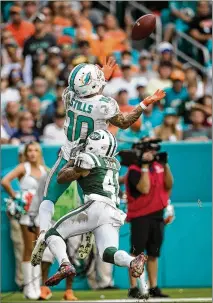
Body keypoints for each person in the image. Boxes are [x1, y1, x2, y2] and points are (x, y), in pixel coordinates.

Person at [31, 57, 165, 266]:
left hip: (68, 154)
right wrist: (144, 103)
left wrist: (102, 76)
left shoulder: (69, 95)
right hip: (93, 154)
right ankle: (89, 233)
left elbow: (87, 91)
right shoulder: (105, 105)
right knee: (95, 197)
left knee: (48, 198)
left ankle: (42, 232)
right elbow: (124, 122)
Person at [43, 130, 148, 287]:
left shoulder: (88, 158)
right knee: (108, 253)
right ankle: (131, 261)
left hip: (96, 206)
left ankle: (64, 264)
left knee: (52, 234)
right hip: (113, 212)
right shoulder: (114, 163)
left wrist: (72, 159)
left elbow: (61, 178)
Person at [125, 138, 174, 298]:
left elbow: (169, 184)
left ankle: (154, 287)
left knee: (154, 253)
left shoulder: (159, 167)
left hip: (157, 215)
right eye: (149, 151)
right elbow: (144, 189)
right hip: (140, 216)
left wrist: (165, 164)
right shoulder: (134, 170)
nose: (153, 154)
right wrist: (145, 166)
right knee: (136, 253)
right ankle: (134, 288)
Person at [1, 142, 47, 299]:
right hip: (27, 213)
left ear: (39, 153)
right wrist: (16, 196)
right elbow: (5, 181)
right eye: (30, 151)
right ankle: (28, 288)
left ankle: (36, 285)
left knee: (38, 248)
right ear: (26, 153)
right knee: (28, 248)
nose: (32, 153)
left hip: (41, 213)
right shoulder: (23, 167)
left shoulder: (43, 169)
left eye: (35, 150)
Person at [23, 13, 57, 81]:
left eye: (39, 22)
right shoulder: (29, 41)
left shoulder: (50, 38)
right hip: (33, 71)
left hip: (49, 70)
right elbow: (25, 58)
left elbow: (56, 56)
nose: (37, 24)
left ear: (44, 23)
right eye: (35, 22)